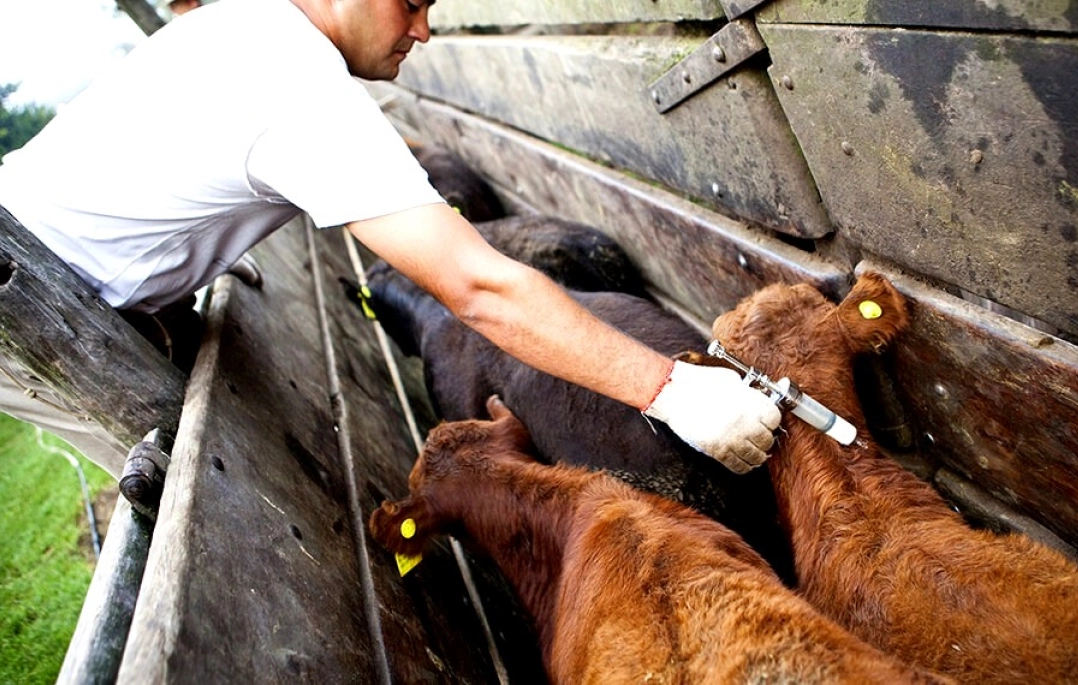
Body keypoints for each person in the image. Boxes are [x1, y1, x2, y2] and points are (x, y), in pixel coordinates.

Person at [0, 0, 781, 479]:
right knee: (168, 477)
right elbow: (476, 285)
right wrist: (670, 389)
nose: (425, 30)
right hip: (28, 300)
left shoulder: (246, 26)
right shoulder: (293, 83)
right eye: (409, 2)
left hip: (43, 233)